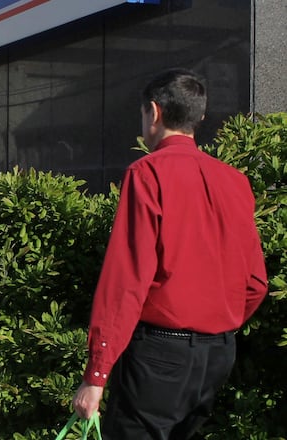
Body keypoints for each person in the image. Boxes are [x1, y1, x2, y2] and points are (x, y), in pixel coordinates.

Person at [71, 68, 268, 439]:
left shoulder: (147, 173)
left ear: (154, 112)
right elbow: (256, 282)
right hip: (218, 355)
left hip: (160, 357)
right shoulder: (235, 180)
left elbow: (126, 280)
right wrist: (217, 323)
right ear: (199, 117)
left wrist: (96, 375)